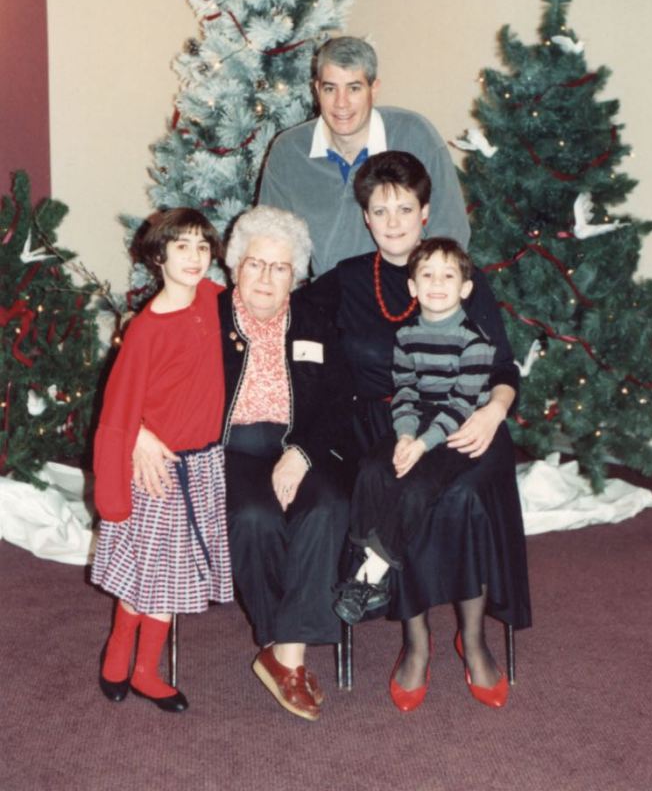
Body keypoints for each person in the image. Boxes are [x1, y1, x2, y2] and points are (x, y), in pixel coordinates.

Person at [303, 151, 530, 713]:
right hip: (384, 424)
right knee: (394, 483)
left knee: (463, 496)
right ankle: (417, 642)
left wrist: (494, 412)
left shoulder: (459, 273)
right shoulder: (348, 280)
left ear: (425, 212)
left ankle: (472, 638)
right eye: (380, 210)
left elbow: (502, 366)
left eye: (405, 208)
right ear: (366, 218)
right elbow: (283, 308)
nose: (394, 221)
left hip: (468, 419)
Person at [134, 206, 351, 722]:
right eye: (256, 264)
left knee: (329, 506)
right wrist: (139, 430)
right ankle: (283, 646)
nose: (266, 278)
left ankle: (285, 653)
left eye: (280, 268)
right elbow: (146, 367)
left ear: (295, 275)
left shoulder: (315, 322)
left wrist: (301, 454)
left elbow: (340, 403)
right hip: (225, 449)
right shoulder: (203, 316)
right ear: (234, 266)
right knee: (253, 517)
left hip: (297, 447)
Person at [92, 208, 233, 713]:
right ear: (159, 256)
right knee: (147, 573)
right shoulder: (146, 330)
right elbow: (118, 405)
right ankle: (118, 651)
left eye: (202, 246)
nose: (195, 257)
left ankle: (147, 671)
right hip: (158, 470)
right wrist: (137, 436)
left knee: (173, 577)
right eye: (182, 247)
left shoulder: (217, 300)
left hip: (203, 465)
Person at [333, 238, 495, 617]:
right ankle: (371, 567)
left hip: (458, 428)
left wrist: (422, 445)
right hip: (416, 420)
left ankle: (369, 575)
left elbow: (461, 406)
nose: (436, 284)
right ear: (413, 286)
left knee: (417, 486)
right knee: (372, 469)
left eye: (448, 276)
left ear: (465, 288)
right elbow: (405, 391)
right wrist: (405, 435)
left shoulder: (475, 342)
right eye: (427, 275)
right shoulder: (406, 337)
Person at [257, 36, 470, 275]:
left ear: (374, 89)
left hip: (407, 288)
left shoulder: (415, 135)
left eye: (354, 88)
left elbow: (450, 232)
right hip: (329, 292)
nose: (341, 103)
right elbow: (270, 241)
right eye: (330, 89)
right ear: (317, 90)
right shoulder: (289, 151)